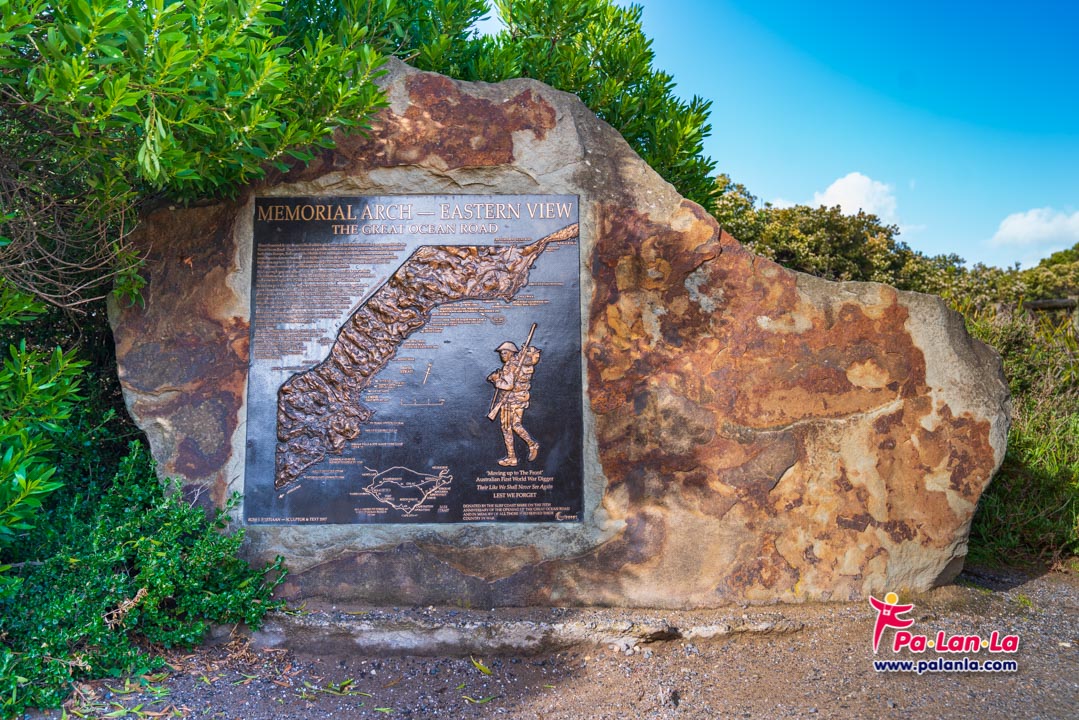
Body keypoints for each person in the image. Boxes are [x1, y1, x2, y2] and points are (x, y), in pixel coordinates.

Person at [487, 340, 541, 467]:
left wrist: (496, 380)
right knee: (516, 425)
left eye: (504, 353)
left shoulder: (510, 366)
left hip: (509, 401)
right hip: (520, 400)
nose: (502, 355)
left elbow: (508, 385)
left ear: (511, 353)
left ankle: (512, 457)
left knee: (506, 428)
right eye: (501, 353)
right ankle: (532, 444)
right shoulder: (520, 364)